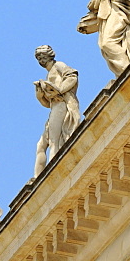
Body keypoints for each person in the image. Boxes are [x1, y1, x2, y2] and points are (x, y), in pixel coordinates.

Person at [32, 45, 80, 178]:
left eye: (42, 56)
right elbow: (47, 103)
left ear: (50, 55)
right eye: (38, 58)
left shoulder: (58, 65)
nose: (41, 60)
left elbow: (72, 77)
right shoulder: (49, 73)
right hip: (55, 107)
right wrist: (40, 96)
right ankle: (37, 177)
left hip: (62, 106)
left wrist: (58, 89)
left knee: (54, 140)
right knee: (41, 145)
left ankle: (53, 171)